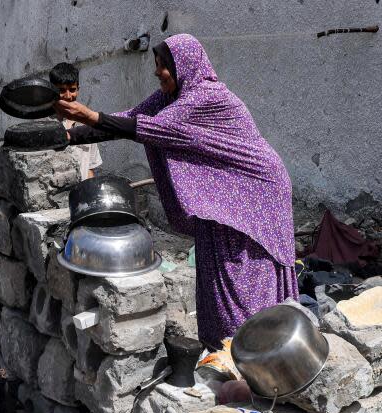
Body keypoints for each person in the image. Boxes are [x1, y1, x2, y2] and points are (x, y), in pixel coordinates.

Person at [54, 34, 298, 350]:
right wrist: (71, 136)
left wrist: (91, 117)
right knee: (214, 266)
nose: (157, 72)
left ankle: (258, 349)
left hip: (256, 191)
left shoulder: (206, 98)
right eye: (156, 64)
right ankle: (220, 349)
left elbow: (155, 130)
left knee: (243, 272)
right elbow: (129, 120)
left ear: (183, 66)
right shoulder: (171, 98)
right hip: (223, 196)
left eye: (162, 65)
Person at [49, 62, 102, 179]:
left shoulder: (87, 123)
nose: (68, 96)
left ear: (78, 89)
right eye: (61, 90)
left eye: (72, 90)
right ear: (52, 90)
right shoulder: (44, 125)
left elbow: (89, 168)